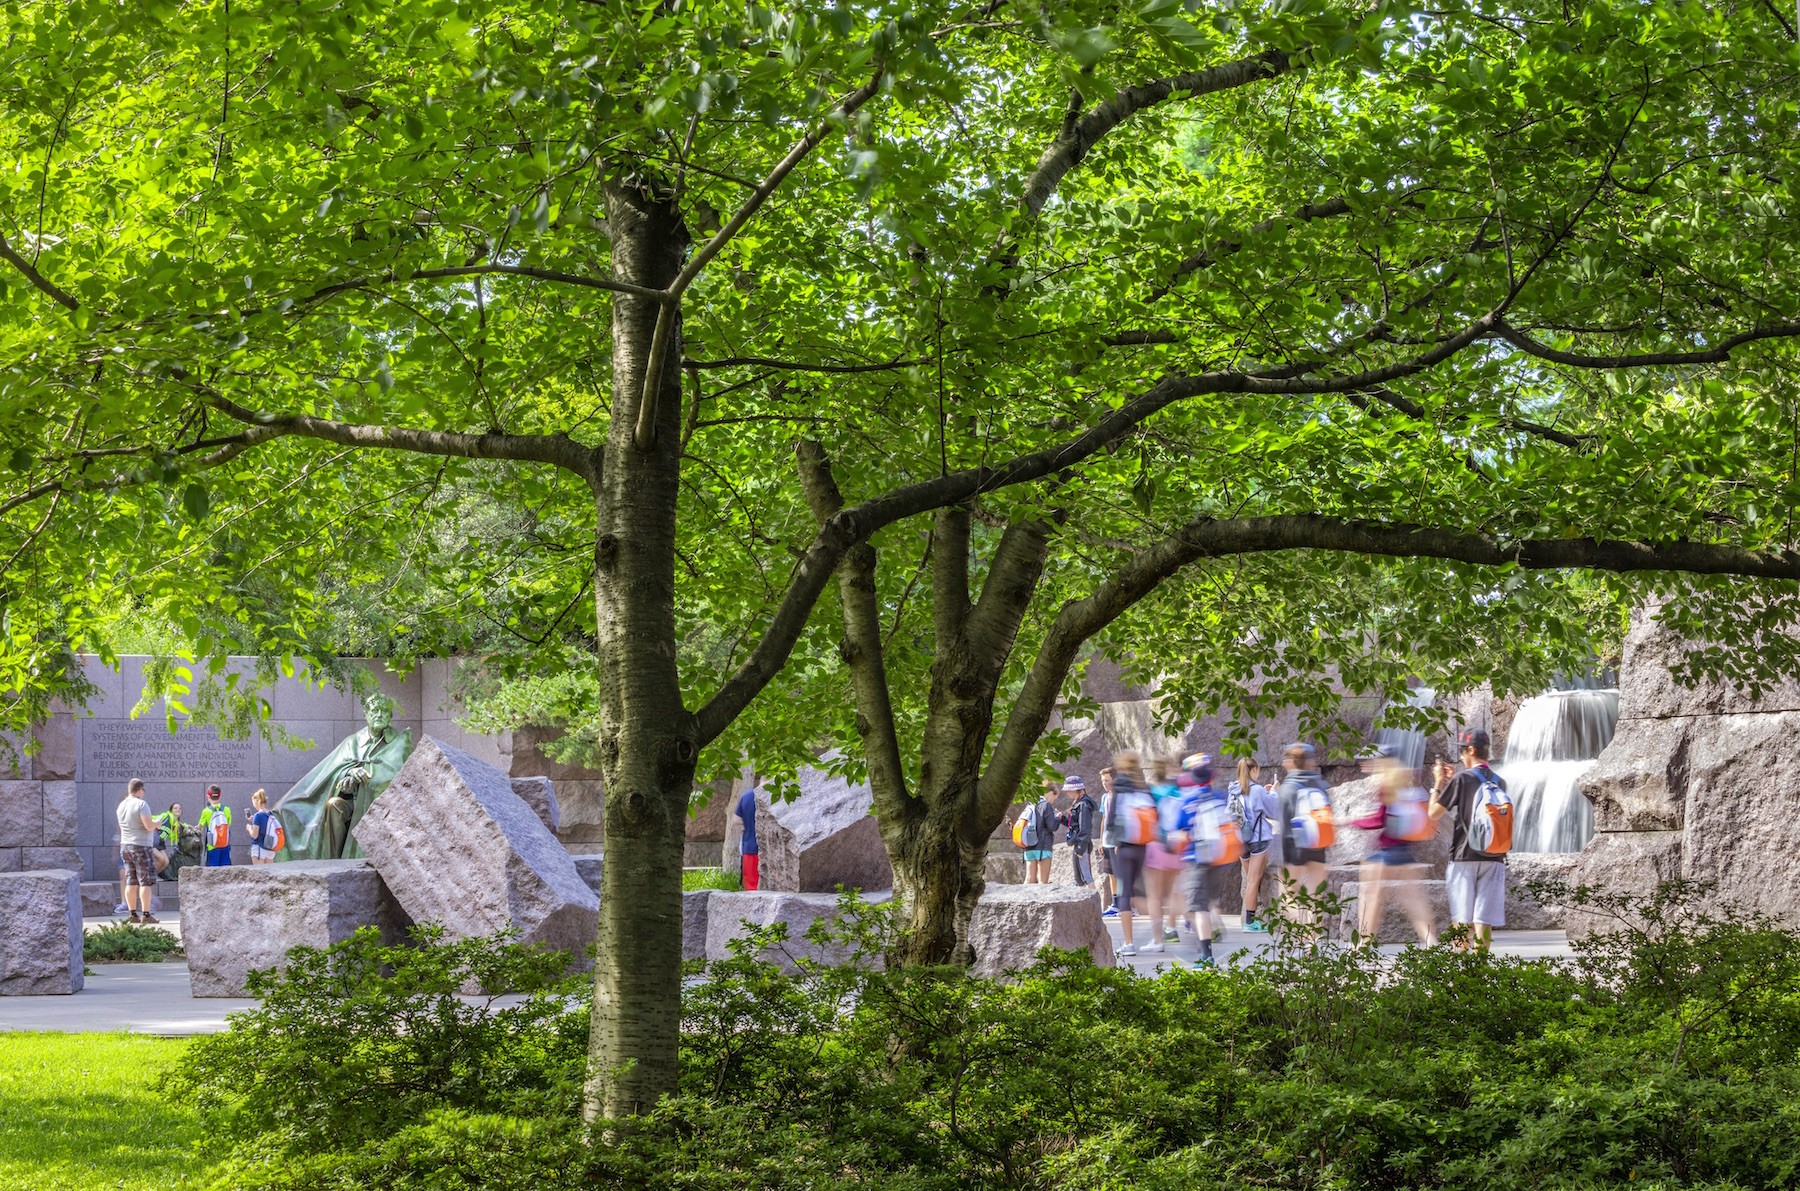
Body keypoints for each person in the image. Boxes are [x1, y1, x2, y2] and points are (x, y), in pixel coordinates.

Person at [275, 693, 415, 861]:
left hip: (382, 806)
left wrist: (364, 775)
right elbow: (333, 772)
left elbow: (395, 774)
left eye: (384, 711)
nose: (379, 714)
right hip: (351, 802)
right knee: (332, 805)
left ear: (390, 716)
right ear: (366, 714)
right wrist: (347, 776)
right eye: (375, 710)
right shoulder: (352, 742)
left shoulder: (400, 741)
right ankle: (333, 863)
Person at [1430, 728, 1509, 952]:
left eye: (1463, 751)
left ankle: (1462, 971)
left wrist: (1438, 783)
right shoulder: (1499, 781)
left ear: (1472, 750)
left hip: (1464, 856)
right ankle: (1479, 970)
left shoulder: (1462, 779)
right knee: (1484, 919)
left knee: (1462, 918)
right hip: (1494, 856)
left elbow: (1433, 813)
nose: (1462, 756)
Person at [1349, 753, 1437, 945]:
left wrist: (1350, 822)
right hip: (1405, 854)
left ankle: (1363, 944)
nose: (1365, 763)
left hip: (1385, 855)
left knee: (1370, 899)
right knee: (1415, 902)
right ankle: (1431, 941)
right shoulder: (1406, 784)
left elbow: (1379, 819)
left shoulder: (1386, 785)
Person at [1175, 755, 1232, 966]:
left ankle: (1206, 954)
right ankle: (1212, 926)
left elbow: (1179, 832)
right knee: (1207, 903)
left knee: (1196, 908)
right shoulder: (1220, 797)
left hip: (1196, 859)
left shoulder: (1188, 801)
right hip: (1219, 858)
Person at [1275, 743, 1334, 926]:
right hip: (1317, 843)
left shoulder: (1287, 788)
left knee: (1287, 891)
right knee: (1316, 894)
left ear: (1290, 762)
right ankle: (1312, 940)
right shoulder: (1321, 784)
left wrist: (1282, 858)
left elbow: (1285, 825)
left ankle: (1298, 933)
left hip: (1294, 846)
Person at [1108, 752, 1151, 956]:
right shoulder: (1144, 788)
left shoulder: (1119, 788)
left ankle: (1129, 943)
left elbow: (1111, 819)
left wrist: (1115, 840)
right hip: (1143, 845)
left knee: (1125, 893)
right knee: (1143, 891)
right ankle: (1163, 929)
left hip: (1125, 847)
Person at [1141, 757, 1186, 952]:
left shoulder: (1153, 792)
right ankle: (1173, 927)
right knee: (1173, 891)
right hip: (1177, 845)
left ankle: (1158, 940)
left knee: (1154, 895)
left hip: (1157, 844)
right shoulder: (1178, 792)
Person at [1228, 758, 1278, 932]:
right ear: (1254, 769)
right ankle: (1250, 922)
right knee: (1253, 881)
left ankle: (1250, 919)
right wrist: (1273, 793)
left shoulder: (1233, 790)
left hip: (1241, 840)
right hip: (1258, 840)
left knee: (1251, 880)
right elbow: (1274, 811)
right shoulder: (1257, 790)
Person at [116, 778, 160, 924]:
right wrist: (157, 823)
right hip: (141, 846)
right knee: (144, 882)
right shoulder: (141, 804)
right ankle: (146, 915)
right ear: (140, 790)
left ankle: (132, 914)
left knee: (131, 881)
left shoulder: (121, 805)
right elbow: (148, 826)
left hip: (125, 846)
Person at [1019, 782, 1059, 884]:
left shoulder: (1031, 804)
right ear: (1050, 793)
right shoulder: (1046, 806)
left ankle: (1024, 899)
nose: (1053, 800)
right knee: (1043, 881)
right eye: (1054, 797)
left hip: (1029, 846)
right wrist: (1057, 818)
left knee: (1029, 879)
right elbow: (1052, 826)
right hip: (1043, 847)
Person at [1060, 775, 1096, 887]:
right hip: (1080, 843)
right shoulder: (1079, 803)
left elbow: (1085, 828)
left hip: (1082, 844)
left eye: (1068, 790)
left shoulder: (1083, 804)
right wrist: (1063, 819)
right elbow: (1075, 825)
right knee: (1080, 877)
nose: (1067, 793)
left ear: (1076, 790)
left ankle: (1094, 902)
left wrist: (1081, 848)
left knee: (1086, 877)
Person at [1097, 767, 1120, 916]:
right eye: (1103, 781)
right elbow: (1104, 819)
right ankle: (1115, 903)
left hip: (1117, 840)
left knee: (1122, 874)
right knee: (1111, 873)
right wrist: (1101, 841)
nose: (1104, 783)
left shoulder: (1120, 797)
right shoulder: (1105, 797)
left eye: (1107, 780)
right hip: (1107, 841)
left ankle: (1128, 904)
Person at [198, 785, 232, 867]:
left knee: (213, 870)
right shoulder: (226, 809)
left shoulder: (206, 811)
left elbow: (200, 827)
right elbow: (228, 824)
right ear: (220, 795)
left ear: (208, 796)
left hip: (212, 845)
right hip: (225, 844)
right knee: (226, 870)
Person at [735, 785, 760, 891]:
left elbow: (736, 820)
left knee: (751, 888)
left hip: (750, 847)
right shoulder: (780, 796)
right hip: (773, 851)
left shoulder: (746, 797)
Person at [247, 789, 278, 865]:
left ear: (256, 801)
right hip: (270, 847)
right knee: (270, 873)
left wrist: (249, 828)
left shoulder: (258, 815)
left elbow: (255, 835)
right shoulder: (270, 814)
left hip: (259, 847)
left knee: (258, 873)